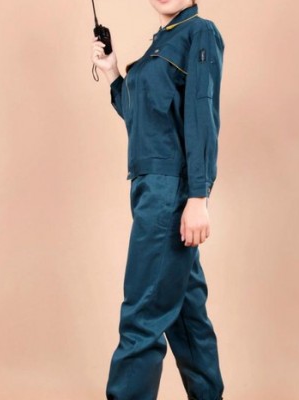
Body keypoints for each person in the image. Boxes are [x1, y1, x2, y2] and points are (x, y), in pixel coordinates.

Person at [91, 1, 225, 399]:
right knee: (187, 316)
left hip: (168, 192)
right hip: (150, 189)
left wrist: (199, 196)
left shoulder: (199, 31)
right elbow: (143, 119)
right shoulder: (160, 42)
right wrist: (114, 73)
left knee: (142, 315)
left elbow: (202, 113)